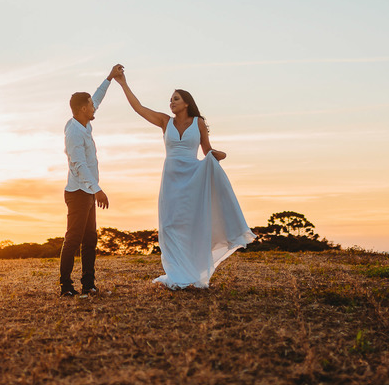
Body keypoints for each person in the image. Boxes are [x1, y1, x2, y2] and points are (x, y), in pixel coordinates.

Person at [113, 69, 255, 288]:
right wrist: (123, 84)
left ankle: (192, 272)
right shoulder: (164, 121)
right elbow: (139, 108)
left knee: (190, 224)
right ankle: (176, 273)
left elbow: (207, 151)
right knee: (169, 225)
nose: (171, 103)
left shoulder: (198, 123)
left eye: (176, 99)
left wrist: (219, 155)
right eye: (170, 100)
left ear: (186, 103)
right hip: (171, 178)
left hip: (192, 177)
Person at [60, 64, 123, 297]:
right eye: (91, 105)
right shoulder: (74, 132)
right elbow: (78, 165)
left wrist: (109, 78)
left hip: (87, 192)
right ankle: (65, 286)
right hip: (78, 193)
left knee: (90, 240)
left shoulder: (84, 122)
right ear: (83, 108)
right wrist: (97, 189)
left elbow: (98, 97)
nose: (94, 106)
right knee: (73, 239)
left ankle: (88, 284)